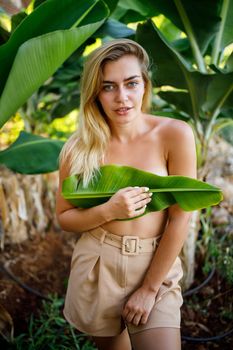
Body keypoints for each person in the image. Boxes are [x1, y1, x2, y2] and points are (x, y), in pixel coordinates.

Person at [56, 38, 197, 350]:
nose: (122, 97)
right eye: (108, 87)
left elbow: (180, 217)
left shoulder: (174, 135)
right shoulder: (79, 149)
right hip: (98, 263)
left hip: (154, 265)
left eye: (131, 83)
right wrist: (109, 210)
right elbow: (65, 218)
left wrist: (149, 288)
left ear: (144, 84)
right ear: (95, 92)